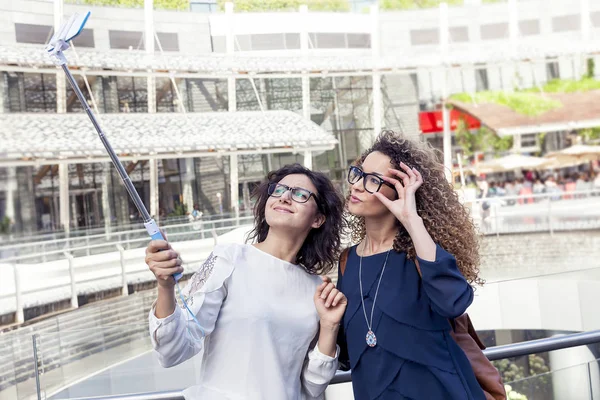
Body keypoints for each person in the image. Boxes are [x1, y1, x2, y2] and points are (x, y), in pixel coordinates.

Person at [145, 164, 347, 400]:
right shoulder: (228, 259)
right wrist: (165, 286)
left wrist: (330, 326)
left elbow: (313, 387)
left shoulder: (316, 289)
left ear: (318, 219)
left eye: (300, 194)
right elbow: (172, 350)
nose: (285, 197)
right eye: (279, 189)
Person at [337, 131, 486, 400]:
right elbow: (348, 352)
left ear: (400, 191)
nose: (357, 185)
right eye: (358, 173)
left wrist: (411, 219)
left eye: (373, 180)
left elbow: (453, 303)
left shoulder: (421, 252)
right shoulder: (347, 262)